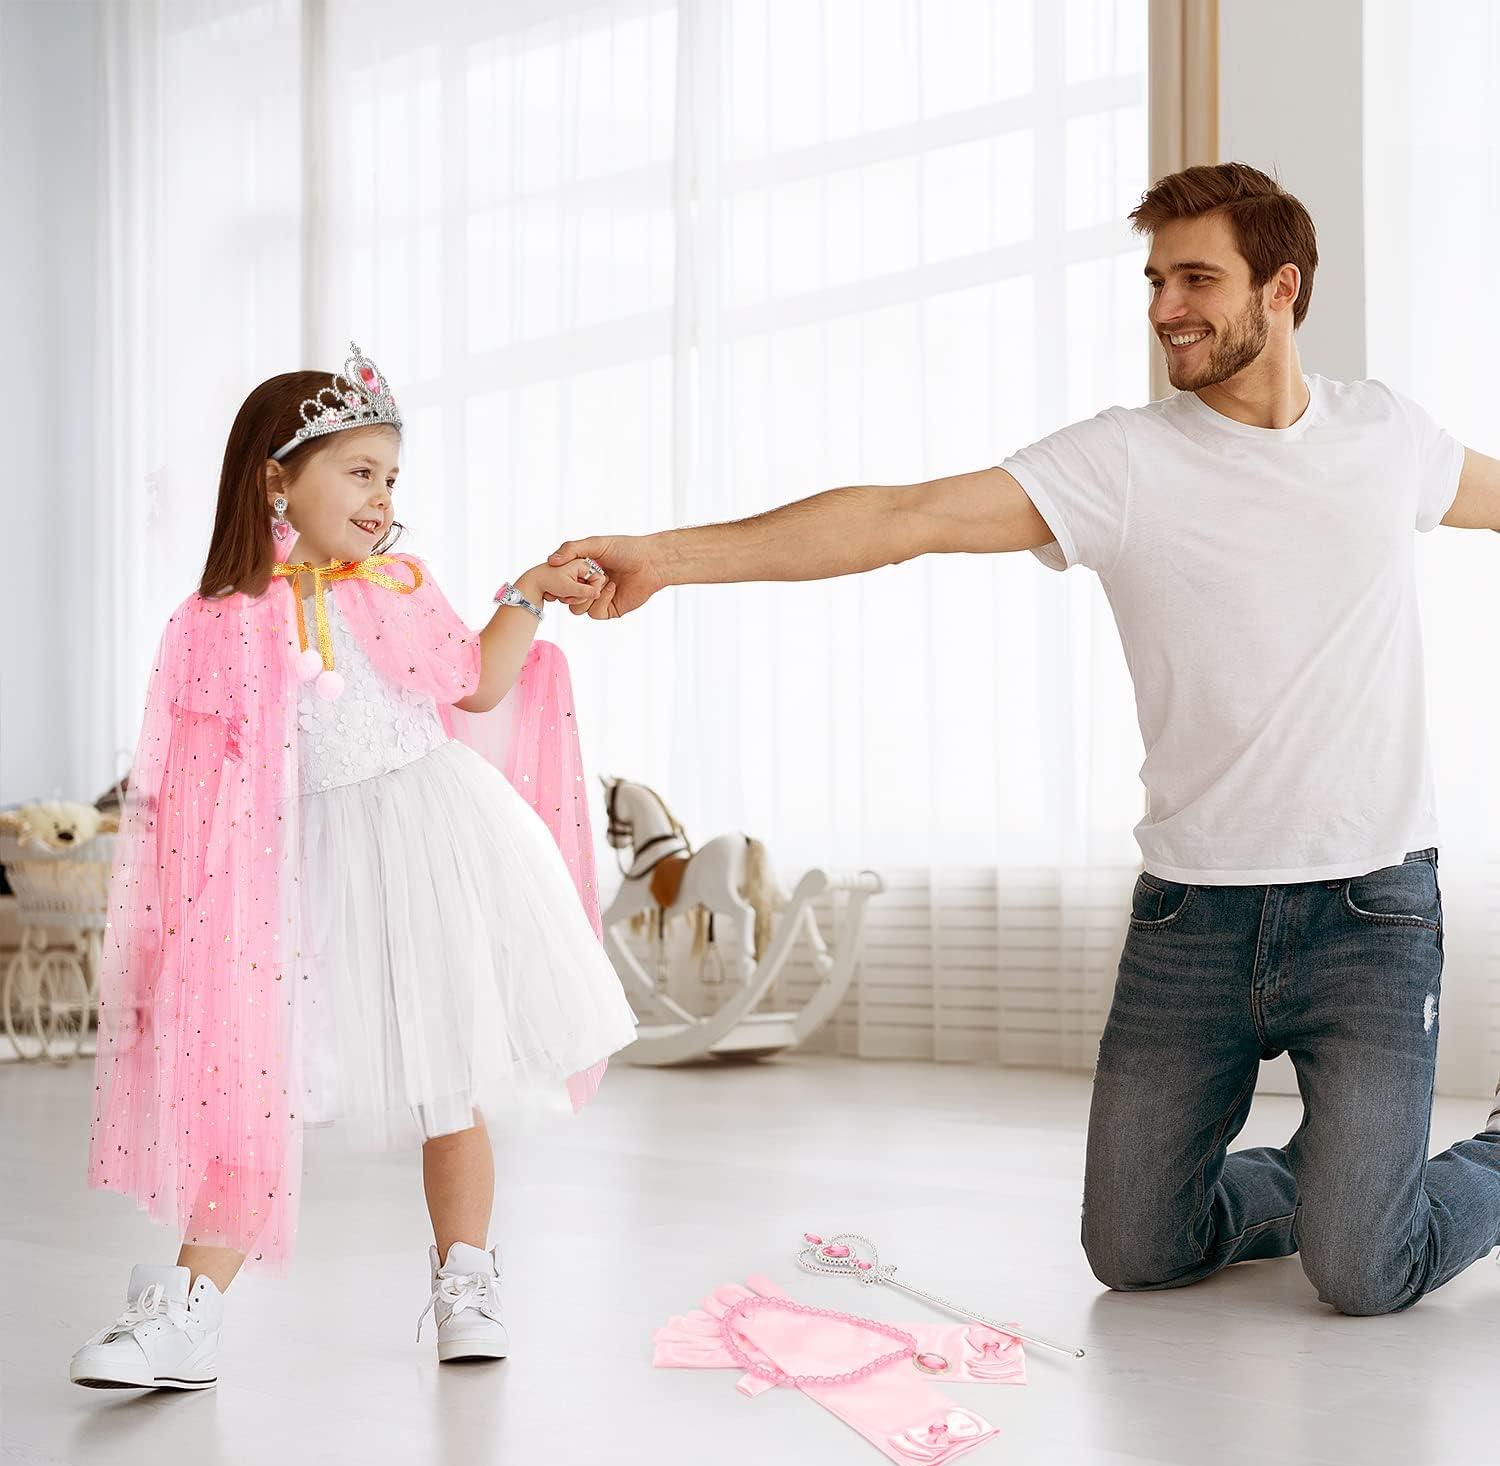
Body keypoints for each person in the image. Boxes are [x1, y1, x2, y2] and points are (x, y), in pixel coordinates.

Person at [546, 162, 1500, 1318]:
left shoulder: (1385, 434)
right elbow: (904, 517)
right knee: (1137, 1251)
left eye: (1196, 278)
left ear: (1281, 288)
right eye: (1153, 281)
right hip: (1192, 915)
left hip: (1370, 908)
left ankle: (1441, 1175)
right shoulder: (1124, 461)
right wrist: (668, 554)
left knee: (1366, 1275)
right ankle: (1343, 1179)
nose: (1164, 309)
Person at [70, 342, 639, 1389]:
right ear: (277, 479)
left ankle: (466, 1277)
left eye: (392, 478)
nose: (382, 498)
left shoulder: (397, 588)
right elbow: (192, 778)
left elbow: (472, 685)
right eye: (360, 472)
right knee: (257, 1082)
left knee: (450, 1079)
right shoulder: (217, 623)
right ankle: (190, 1309)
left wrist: (531, 591)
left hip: (428, 844)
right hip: (294, 874)